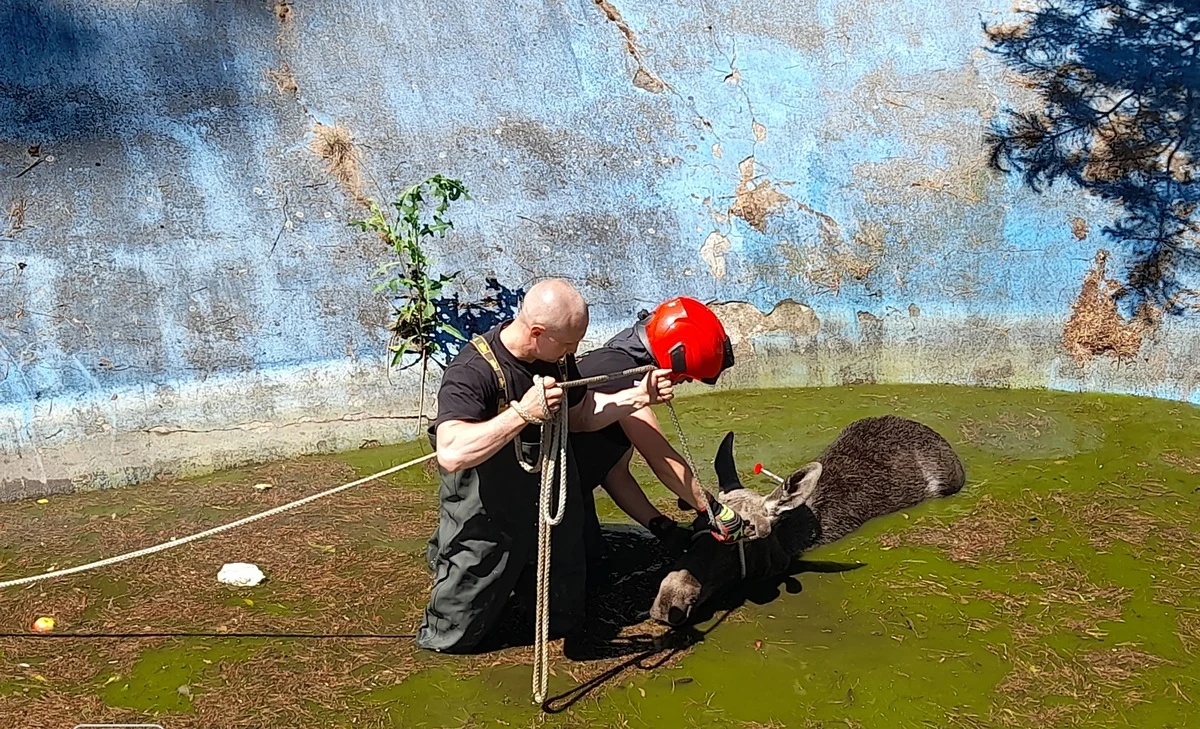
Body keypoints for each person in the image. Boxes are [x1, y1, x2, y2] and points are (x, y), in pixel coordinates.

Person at [417, 279, 676, 654]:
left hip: (546, 498)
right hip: (488, 507)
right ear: (537, 332)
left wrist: (639, 396)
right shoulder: (473, 370)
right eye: (569, 343)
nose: (574, 352)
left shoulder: (557, 357)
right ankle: (452, 564)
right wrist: (523, 412)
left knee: (564, 617)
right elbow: (452, 452)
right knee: (452, 637)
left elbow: (583, 415)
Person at [572, 297, 739, 559]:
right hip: (540, 501)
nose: (680, 384)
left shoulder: (616, 358)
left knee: (595, 566)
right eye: (683, 378)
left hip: (569, 491)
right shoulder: (626, 380)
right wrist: (713, 510)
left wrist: (661, 526)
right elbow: (662, 459)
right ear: (677, 358)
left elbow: (614, 473)